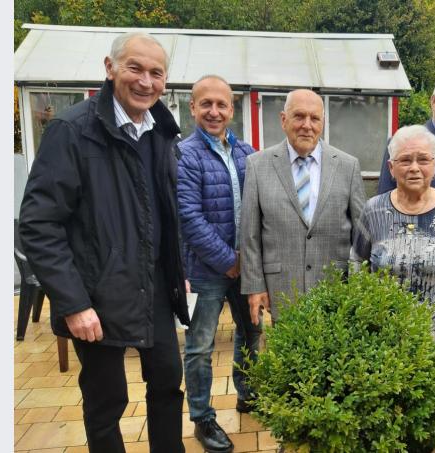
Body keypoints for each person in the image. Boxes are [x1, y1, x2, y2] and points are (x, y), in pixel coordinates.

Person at [18, 32, 188, 453]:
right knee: (107, 401)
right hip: (96, 297)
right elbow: (40, 225)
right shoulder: (72, 131)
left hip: (154, 290)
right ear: (110, 68)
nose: (145, 82)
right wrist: (73, 303)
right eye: (135, 68)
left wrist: (175, 272)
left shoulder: (163, 131)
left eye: (156, 73)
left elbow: (165, 214)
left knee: (167, 387)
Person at [176, 74, 262, 453]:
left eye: (221, 104)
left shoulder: (246, 152)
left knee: (251, 332)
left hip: (246, 268)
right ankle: (203, 418)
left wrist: (250, 261)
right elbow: (189, 217)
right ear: (192, 107)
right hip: (207, 270)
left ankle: (246, 393)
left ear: (232, 109)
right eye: (205, 104)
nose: (214, 111)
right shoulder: (185, 154)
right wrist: (229, 260)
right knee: (200, 346)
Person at [350, 124, 435, 349]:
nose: (414, 168)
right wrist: (361, 310)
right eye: (405, 160)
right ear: (391, 168)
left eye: (423, 160)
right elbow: (358, 261)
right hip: (387, 338)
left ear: (434, 166)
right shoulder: (374, 210)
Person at [240, 89, 366, 324]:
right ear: (283, 119)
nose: (307, 125)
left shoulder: (348, 166)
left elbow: (361, 234)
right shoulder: (258, 165)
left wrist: (359, 286)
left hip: (336, 288)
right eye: (299, 116)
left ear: (323, 122)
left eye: (314, 118)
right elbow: (250, 234)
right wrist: (255, 286)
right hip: (282, 289)